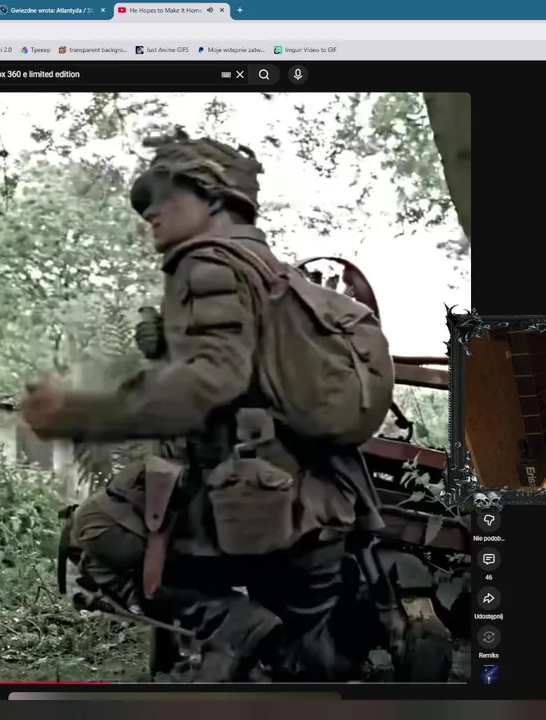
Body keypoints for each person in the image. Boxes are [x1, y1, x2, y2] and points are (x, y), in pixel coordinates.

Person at [22, 132, 386, 682]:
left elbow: (211, 382)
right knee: (305, 660)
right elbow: (252, 371)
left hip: (248, 503)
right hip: (325, 500)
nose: (151, 212)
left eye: (165, 196)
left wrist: (79, 414)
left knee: (96, 531)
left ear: (213, 197)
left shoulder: (208, 263)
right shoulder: (274, 272)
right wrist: (168, 348)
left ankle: (229, 628)